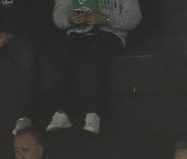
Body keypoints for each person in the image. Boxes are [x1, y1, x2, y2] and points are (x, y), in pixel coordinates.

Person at [47, 0, 141, 135]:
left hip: (111, 34)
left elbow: (134, 17)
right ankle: (61, 112)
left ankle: (93, 113)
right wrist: (70, 19)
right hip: (77, 34)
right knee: (62, 51)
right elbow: (58, 16)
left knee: (95, 51)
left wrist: (106, 19)